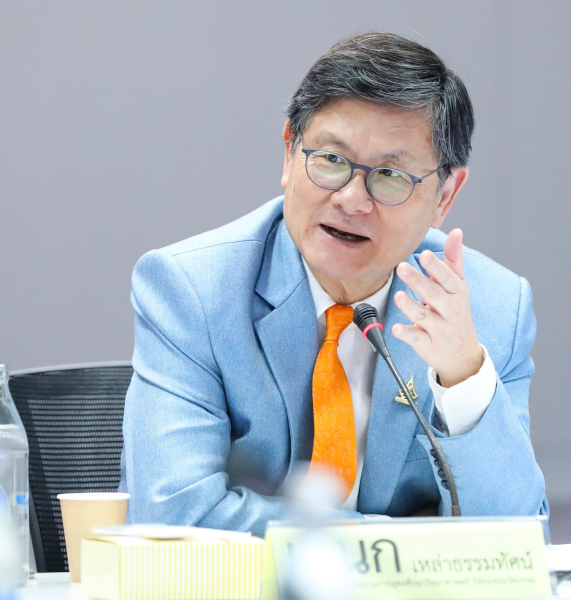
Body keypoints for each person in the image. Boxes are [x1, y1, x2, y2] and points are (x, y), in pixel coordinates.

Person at [120, 32, 547, 535]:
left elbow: (517, 537)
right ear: (289, 154)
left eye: (390, 175)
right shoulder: (194, 290)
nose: (351, 199)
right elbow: (175, 519)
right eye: (331, 160)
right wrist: (388, 540)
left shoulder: (490, 307)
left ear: (445, 195)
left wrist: (462, 377)